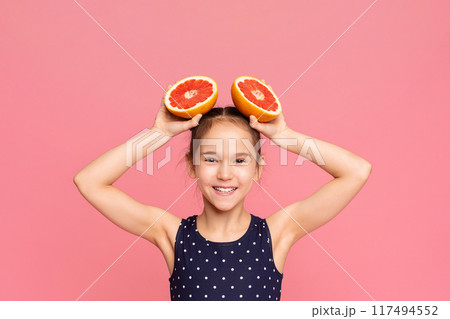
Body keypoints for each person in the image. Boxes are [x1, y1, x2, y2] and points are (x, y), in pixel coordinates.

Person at [73, 82, 372, 301]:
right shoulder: (171, 233)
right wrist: (158, 134)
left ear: (257, 169)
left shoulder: (279, 233)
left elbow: (356, 171)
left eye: (240, 160)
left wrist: (285, 135)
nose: (225, 173)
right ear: (192, 166)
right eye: (211, 159)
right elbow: (89, 181)